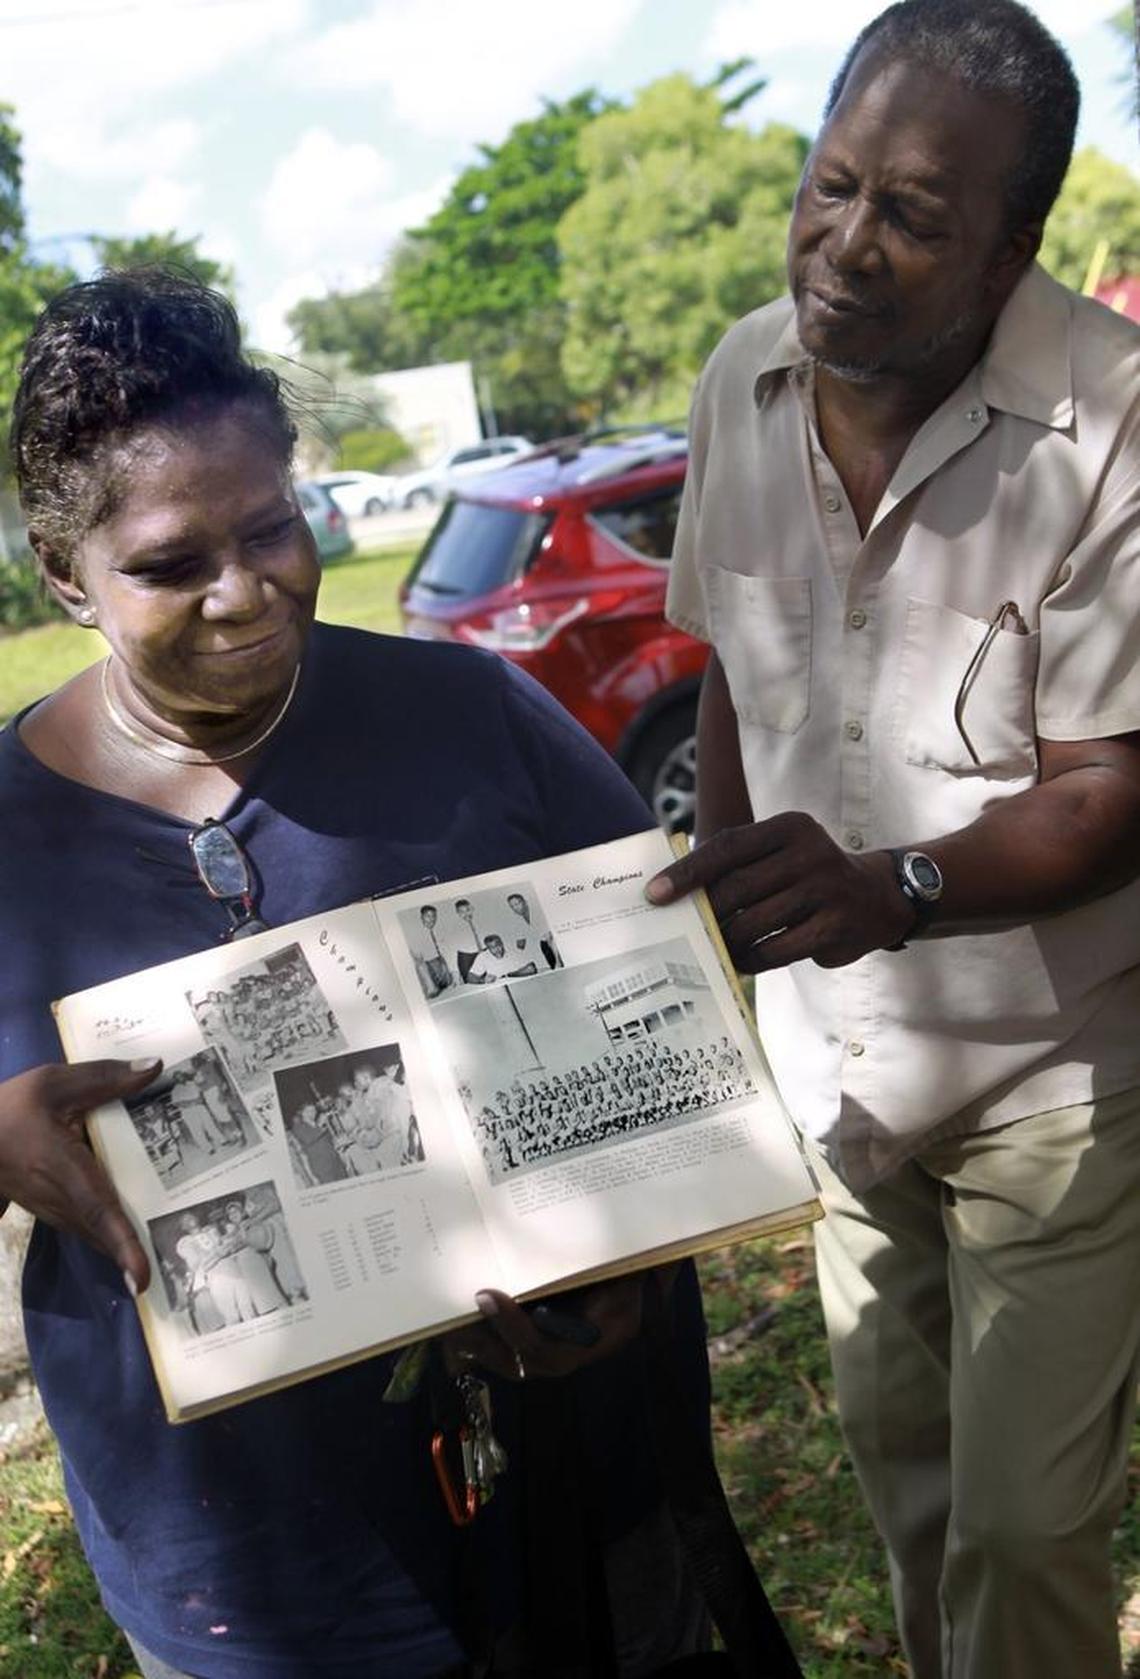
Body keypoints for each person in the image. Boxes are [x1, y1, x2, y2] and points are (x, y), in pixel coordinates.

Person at [0, 269, 720, 1679]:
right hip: (235, 1551)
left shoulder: (474, 718)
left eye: (275, 526)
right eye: (166, 563)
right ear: (58, 572)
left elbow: (658, 1011)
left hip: (549, 1471)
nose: (242, 591)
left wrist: (626, 1259)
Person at [647, 4, 1140, 1677]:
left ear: (1009, 251)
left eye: (914, 215)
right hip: (840, 1077)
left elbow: (1107, 788)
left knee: (1025, 1529)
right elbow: (730, 656)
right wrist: (735, 901)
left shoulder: (1113, 418)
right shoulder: (741, 375)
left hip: (1056, 1070)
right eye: (831, 184)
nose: (847, 246)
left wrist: (889, 890)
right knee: (916, 1499)